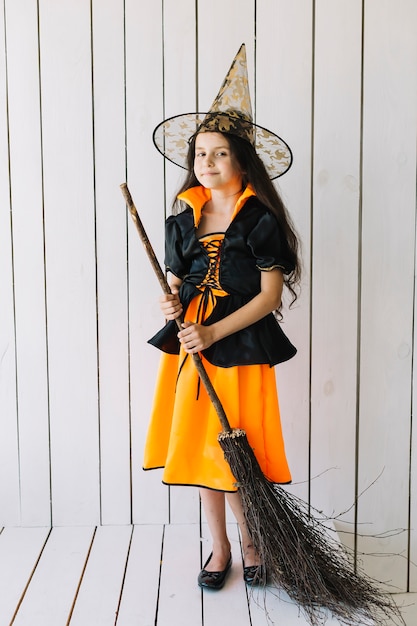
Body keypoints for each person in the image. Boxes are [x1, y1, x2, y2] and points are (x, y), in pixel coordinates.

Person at [143, 44, 301, 590]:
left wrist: (213, 327)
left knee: (236, 444)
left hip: (237, 342)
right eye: (199, 154)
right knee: (201, 444)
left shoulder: (258, 218)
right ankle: (220, 547)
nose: (206, 164)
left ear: (242, 161)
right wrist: (173, 303)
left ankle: (255, 539)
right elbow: (177, 284)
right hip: (192, 343)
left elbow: (269, 297)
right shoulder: (183, 215)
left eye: (219, 155)